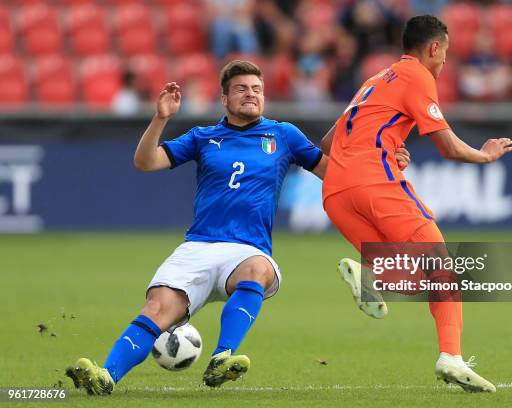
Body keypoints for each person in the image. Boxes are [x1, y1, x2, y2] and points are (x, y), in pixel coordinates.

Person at [65, 60, 409, 395]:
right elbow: (145, 162)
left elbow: (334, 172)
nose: (251, 94)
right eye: (241, 89)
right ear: (224, 99)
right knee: (157, 309)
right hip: (198, 246)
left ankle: (221, 358)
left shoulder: (283, 135)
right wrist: (161, 118)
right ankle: (105, 378)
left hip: (248, 248)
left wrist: (385, 165)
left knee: (257, 269)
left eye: (257, 89)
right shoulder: (203, 137)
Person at [321, 15, 512, 393]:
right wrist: (485, 155)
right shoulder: (417, 76)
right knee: (443, 268)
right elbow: (448, 145)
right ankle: (451, 358)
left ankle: (371, 275)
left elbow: (330, 142)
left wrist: (388, 149)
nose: (444, 64)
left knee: (413, 277)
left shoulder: (375, 80)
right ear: (434, 47)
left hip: (336, 192)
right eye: (445, 54)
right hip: (374, 183)